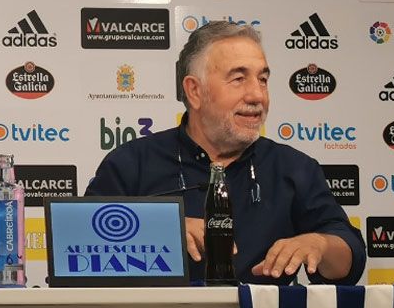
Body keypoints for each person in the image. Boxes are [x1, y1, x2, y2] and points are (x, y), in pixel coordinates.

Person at [85, 21, 365, 285]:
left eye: (263, 79)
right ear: (194, 91)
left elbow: (349, 260)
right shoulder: (132, 163)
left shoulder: (293, 167)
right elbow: (79, 246)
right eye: (239, 79)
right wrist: (156, 228)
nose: (257, 95)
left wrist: (320, 244)